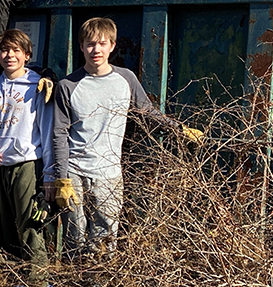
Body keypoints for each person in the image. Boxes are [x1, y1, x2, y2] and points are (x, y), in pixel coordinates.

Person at [53, 17, 202, 260]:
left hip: (109, 174)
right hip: (75, 174)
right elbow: (59, 134)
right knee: (74, 239)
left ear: (112, 46)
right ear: (81, 46)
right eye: (90, 44)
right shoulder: (68, 85)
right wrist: (61, 178)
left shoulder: (126, 80)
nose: (96, 50)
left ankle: (99, 280)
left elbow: (148, 113)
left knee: (105, 238)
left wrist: (180, 129)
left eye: (102, 43)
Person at [0, 29, 52, 284]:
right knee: (4, 226)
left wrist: (49, 173)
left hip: (27, 164)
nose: (9, 55)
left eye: (16, 50)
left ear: (27, 55)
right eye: (4, 50)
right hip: (0, 165)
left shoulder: (38, 85)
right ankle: (12, 276)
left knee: (30, 226)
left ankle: (39, 278)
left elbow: (46, 130)